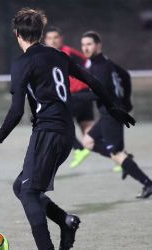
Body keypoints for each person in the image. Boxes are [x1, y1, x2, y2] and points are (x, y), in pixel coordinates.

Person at [0, 8, 135, 250]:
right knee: (22, 187)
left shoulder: (22, 63)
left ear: (17, 34)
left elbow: (16, 111)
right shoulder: (58, 55)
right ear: (40, 33)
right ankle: (65, 221)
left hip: (47, 133)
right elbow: (92, 81)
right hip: (65, 133)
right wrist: (113, 107)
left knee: (28, 192)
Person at [80, 31, 152, 199]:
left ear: (98, 45)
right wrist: (127, 101)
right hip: (110, 112)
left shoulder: (99, 66)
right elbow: (125, 75)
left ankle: (148, 183)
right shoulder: (104, 62)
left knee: (117, 154)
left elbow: (98, 94)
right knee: (88, 141)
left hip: (112, 114)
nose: (85, 48)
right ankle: (125, 161)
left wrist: (70, 98)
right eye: (83, 45)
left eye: (89, 44)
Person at [44, 26, 93, 169]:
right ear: (45, 40)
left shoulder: (66, 52)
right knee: (89, 133)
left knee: (58, 123)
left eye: (56, 38)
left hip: (77, 96)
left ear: (61, 39)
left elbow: (88, 62)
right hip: (82, 96)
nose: (53, 41)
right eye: (49, 38)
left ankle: (79, 149)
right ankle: (120, 157)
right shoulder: (51, 55)